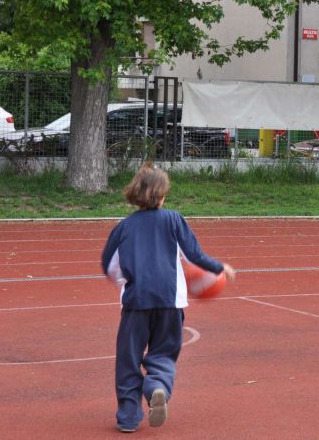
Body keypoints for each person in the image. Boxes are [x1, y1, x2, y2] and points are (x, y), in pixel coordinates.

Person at [100, 163, 236, 433]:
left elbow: (109, 264)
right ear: (162, 195)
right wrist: (220, 268)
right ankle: (157, 387)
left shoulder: (122, 227)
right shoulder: (174, 220)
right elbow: (193, 255)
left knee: (128, 358)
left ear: (134, 194)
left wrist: (124, 285)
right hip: (170, 302)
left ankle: (128, 417)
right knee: (163, 352)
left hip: (136, 302)